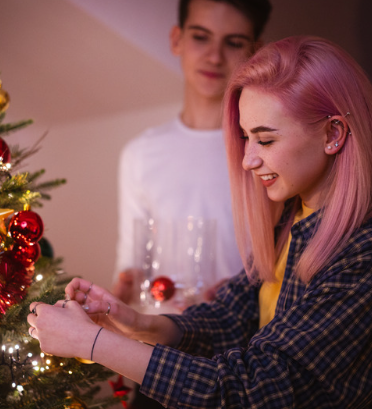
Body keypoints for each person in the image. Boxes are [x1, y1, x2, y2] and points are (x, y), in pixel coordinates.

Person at [28, 36, 372, 408]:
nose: (247, 160)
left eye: (266, 140)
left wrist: (94, 342)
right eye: (245, 138)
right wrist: (137, 324)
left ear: (333, 134)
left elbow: (254, 391)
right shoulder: (293, 216)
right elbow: (231, 318)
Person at [113, 0, 272, 304]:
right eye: (201, 37)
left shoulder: (265, 149)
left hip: (244, 340)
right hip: (159, 343)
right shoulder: (140, 154)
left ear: (254, 52)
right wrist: (124, 287)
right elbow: (130, 265)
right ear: (177, 40)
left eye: (234, 43)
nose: (214, 56)